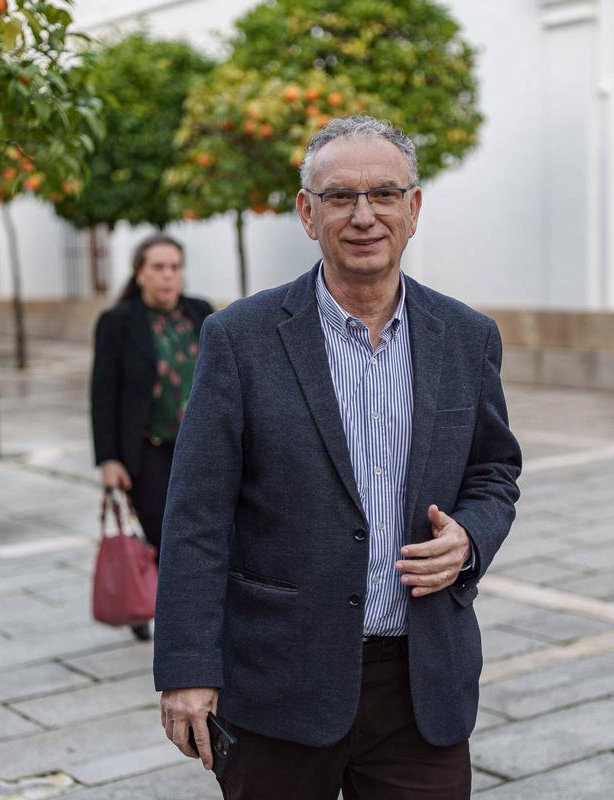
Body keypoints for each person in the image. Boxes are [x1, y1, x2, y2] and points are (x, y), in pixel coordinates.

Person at [153, 116, 522, 799]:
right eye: (338, 197)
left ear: (413, 209)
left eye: (384, 193)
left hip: (421, 687)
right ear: (306, 212)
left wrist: (471, 537)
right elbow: (197, 516)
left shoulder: (467, 338)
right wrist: (186, 668)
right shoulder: (240, 339)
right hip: (278, 686)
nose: (363, 216)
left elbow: (494, 471)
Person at [90, 234, 214, 641]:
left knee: (206, 532)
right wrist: (109, 458)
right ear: (140, 273)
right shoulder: (118, 322)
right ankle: (168, 613)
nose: (167, 276)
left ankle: (176, 603)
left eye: (174, 267)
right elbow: (104, 392)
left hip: (201, 447)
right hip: (149, 451)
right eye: (158, 268)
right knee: (166, 536)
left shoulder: (200, 313)